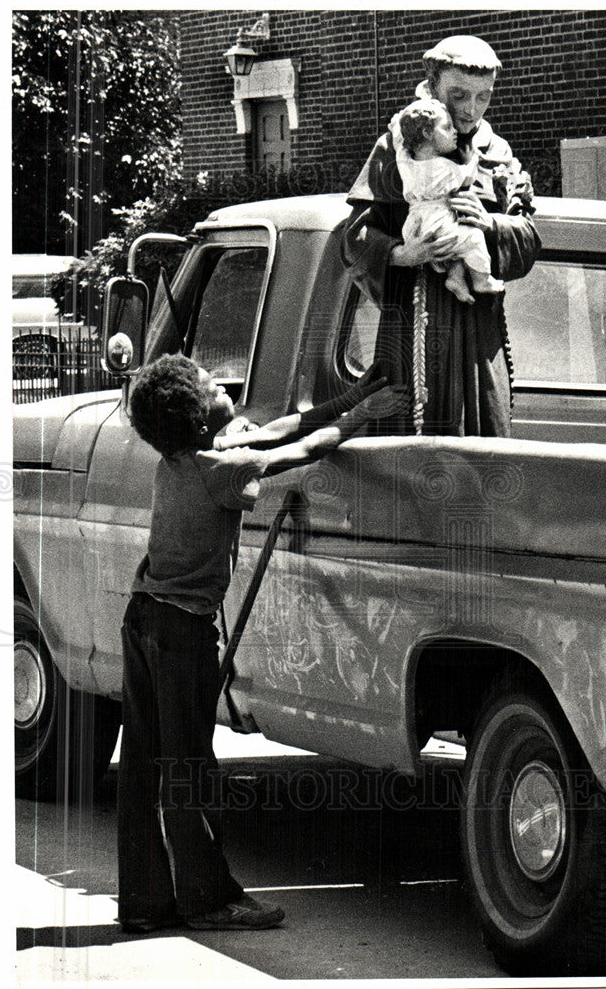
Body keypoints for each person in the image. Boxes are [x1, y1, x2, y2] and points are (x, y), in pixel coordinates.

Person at [118, 354, 408, 933]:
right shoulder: (221, 470)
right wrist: (364, 417)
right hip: (179, 634)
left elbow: (277, 429)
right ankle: (205, 900)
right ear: (201, 421)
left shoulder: (182, 457)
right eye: (208, 385)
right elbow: (298, 450)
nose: (218, 382)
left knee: (146, 767)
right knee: (190, 769)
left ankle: (146, 903)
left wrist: (350, 398)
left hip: (143, 619)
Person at [342, 34, 541, 436]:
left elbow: (528, 240)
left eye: (483, 97)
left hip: (476, 340)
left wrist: (490, 225)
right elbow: (354, 240)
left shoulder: (497, 153)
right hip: (409, 337)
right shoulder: (396, 147)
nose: (471, 110)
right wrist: (402, 253)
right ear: (432, 87)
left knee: (480, 459)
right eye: (459, 95)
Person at [391, 97, 505, 304]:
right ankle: (482, 280)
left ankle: (455, 278)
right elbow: (467, 176)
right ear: (427, 133)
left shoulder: (404, 161)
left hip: (415, 227)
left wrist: (397, 124)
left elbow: (399, 142)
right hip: (438, 223)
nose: (454, 131)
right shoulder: (443, 167)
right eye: (447, 127)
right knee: (472, 238)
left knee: (457, 249)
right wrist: (472, 159)